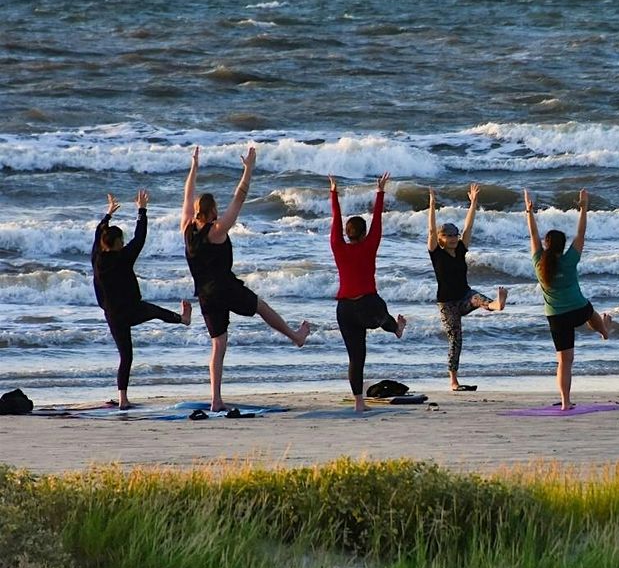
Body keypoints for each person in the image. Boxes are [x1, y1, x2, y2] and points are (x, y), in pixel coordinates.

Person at [182, 145, 310, 412]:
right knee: (261, 307)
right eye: (216, 208)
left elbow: (187, 195)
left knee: (218, 344)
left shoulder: (187, 228)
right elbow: (239, 198)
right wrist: (249, 169)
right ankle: (295, 337)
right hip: (225, 288)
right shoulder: (216, 231)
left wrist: (194, 168)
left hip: (204, 295)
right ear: (212, 212)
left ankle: (216, 399)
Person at [92, 190, 191, 409]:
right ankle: (183, 319)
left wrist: (108, 215)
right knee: (155, 311)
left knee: (126, 356)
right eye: (121, 240)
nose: (123, 242)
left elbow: (97, 234)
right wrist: (142, 211)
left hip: (113, 315)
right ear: (116, 243)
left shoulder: (97, 258)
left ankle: (123, 399)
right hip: (131, 309)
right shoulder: (123, 257)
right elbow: (140, 238)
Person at [524, 188, 612, 410]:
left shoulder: (539, 263)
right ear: (563, 246)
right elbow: (581, 234)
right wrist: (584, 207)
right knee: (591, 312)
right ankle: (604, 331)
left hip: (556, 317)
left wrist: (529, 211)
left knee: (564, 362)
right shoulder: (569, 259)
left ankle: (565, 402)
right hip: (578, 309)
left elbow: (533, 236)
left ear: (546, 245)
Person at [331, 173, 407, 412]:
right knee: (381, 311)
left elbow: (335, 221)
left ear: (347, 234)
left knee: (356, 358)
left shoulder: (337, 246)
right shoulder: (370, 245)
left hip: (344, 309)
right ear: (364, 234)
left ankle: (359, 403)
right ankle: (395, 328)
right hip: (367, 305)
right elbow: (378, 221)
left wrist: (334, 193)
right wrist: (380, 192)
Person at [428, 184, 507, 392]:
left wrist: (473, 203)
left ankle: (497, 305)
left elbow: (468, 228)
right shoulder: (436, 253)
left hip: (464, 296)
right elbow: (431, 230)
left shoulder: (461, 249)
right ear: (441, 239)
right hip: (447, 305)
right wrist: (432, 205)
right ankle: (454, 381)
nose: (454, 238)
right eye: (449, 236)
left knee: (478, 298)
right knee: (455, 340)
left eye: (455, 235)